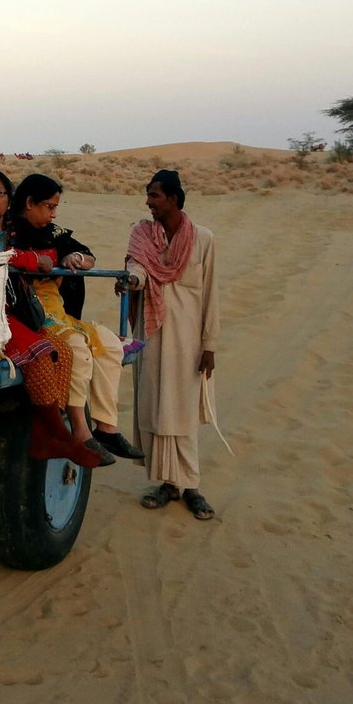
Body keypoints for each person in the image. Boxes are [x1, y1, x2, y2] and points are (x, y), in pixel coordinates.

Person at [0, 167, 103, 469]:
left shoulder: (10, 229)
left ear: (9, 199)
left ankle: (45, 436)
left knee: (62, 352)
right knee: (40, 355)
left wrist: (58, 257)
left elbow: (48, 248)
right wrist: (36, 260)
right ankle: (58, 434)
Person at [8, 173, 142, 465]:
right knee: (78, 350)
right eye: (49, 206)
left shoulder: (54, 234)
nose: (53, 213)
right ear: (29, 203)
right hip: (28, 315)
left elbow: (88, 256)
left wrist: (77, 260)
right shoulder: (9, 232)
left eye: (56, 207)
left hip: (59, 311)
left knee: (109, 344)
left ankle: (106, 426)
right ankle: (80, 429)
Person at [122, 170, 221, 520]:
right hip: (151, 336)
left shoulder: (204, 240)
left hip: (189, 341)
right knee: (155, 408)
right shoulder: (142, 235)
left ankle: (191, 485)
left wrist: (209, 345)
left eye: (154, 196)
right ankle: (168, 484)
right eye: (148, 195)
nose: (148, 202)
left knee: (182, 412)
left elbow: (211, 294)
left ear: (174, 199)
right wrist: (130, 281)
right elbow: (136, 268)